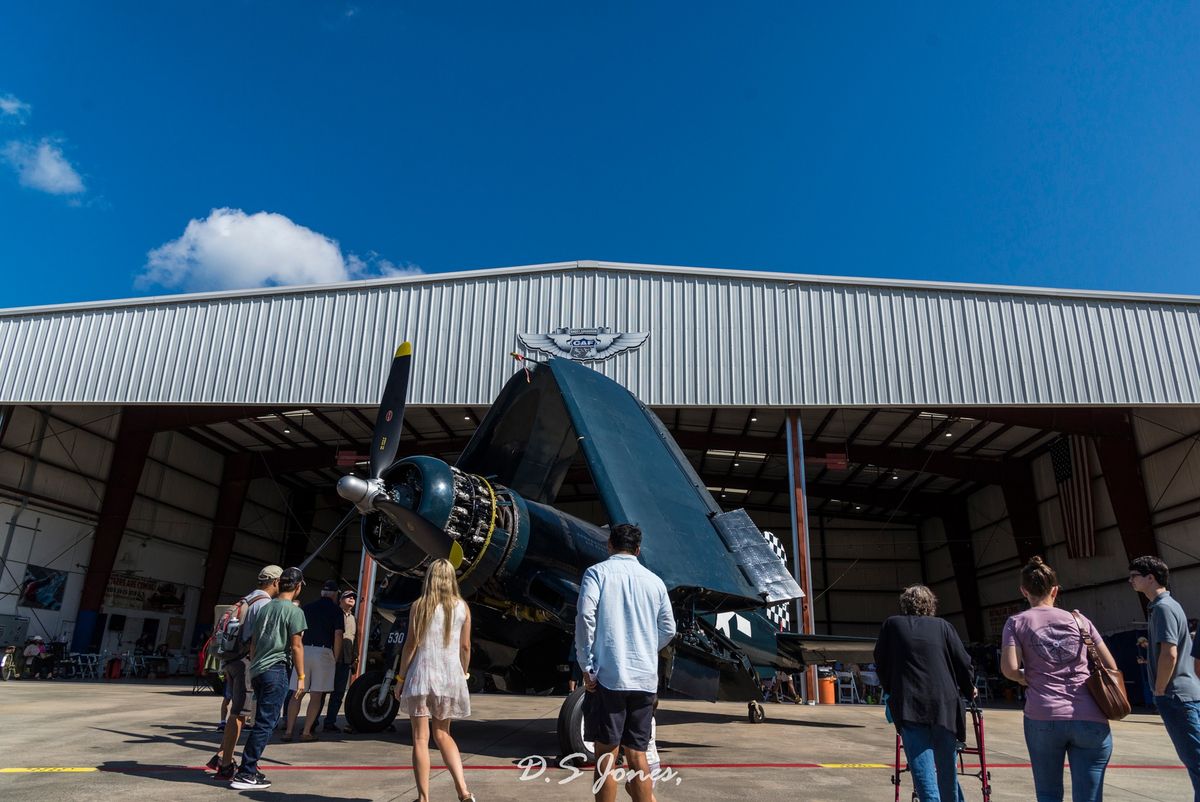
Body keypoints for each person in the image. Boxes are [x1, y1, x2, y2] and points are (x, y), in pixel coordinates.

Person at [1001, 556, 1117, 802]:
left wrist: (1026, 677)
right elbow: (1110, 666)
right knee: (1090, 795)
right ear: (1055, 590)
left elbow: (1010, 669)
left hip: (1043, 716)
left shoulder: (1016, 623)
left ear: (1024, 591)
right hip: (1090, 716)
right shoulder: (1080, 620)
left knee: (1048, 793)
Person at [575, 523, 676, 802]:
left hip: (611, 677)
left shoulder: (597, 573)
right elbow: (668, 628)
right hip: (644, 679)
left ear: (609, 545)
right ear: (638, 549)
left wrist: (587, 665)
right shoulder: (655, 582)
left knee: (606, 755)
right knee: (637, 754)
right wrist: (645, 648)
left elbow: (585, 618)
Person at [874, 584, 975, 802]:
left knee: (924, 775)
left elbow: (880, 661)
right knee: (947, 772)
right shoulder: (944, 626)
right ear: (931, 605)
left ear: (905, 604)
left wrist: (892, 689)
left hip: (911, 706)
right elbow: (963, 662)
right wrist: (969, 689)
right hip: (945, 707)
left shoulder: (892, 625)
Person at [393, 558, 475, 802]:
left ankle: (423, 797)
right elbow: (466, 646)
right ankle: (463, 791)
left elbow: (410, 645)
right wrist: (464, 672)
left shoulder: (420, 606)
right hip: (450, 676)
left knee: (420, 737)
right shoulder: (462, 607)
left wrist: (400, 678)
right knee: (443, 734)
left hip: (422, 674)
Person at [230, 566, 307, 791]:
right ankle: (246, 773)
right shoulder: (295, 612)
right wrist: (301, 677)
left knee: (260, 721)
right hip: (276, 670)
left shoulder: (265, 607)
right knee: (266, 723)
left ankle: (249, 769)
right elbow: (296, 646)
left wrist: (255, 665)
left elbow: (253, 643)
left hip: (258, 670)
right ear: (298, 586)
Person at [1129, 555, 1200, 799]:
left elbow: (1169, 653)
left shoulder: (1162, 608)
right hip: (1185, 693)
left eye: (1134, 575)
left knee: (1197, 762)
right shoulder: (1169, 606)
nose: (1131, 580)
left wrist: (1159, 689)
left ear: (1151, 578)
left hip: (1175, 696)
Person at [205, 564, 282, 781]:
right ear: (275, 582)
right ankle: (227, 764)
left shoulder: (247, 599)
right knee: (240, 714)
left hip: (231, 660)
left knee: (237, 711)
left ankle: (221, 755)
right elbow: (262, 639)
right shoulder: (265, 604)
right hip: (245, 663)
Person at [284, 579, 343, 742]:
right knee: (316, 695)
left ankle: (288, 730)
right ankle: (306, 732)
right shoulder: (336, 611)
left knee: (297, 693)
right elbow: (338, 635)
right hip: (323, 652)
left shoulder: (307, 608)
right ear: (335, 595)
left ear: (322, 593)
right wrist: (335, 657)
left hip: (304, 650)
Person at [322, 588, 358, 733]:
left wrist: (355, 657)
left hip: (346, 661)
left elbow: (356, 639)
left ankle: (330, 722)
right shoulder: (335, 614)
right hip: (331, 659)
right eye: (348, 596)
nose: (351, 599)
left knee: (338, 694)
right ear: (340, 600)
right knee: (322, 691)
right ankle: (313, 722)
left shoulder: (353, 618)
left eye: (353, 598)